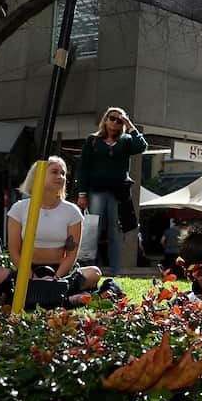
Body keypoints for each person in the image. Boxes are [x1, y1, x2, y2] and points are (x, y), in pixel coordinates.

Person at [0, 157, 102, 306]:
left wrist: (55, 278)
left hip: (59, 271)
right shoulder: (19, 209)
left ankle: (35, 294)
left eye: (63, 173)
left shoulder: (72, 211)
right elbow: (14, 252)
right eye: (54, 172)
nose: (60, 177)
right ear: (38, 175)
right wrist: (31, 277)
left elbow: (71, 254)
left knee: (94, 273)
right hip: (26, 271)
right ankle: (62, 297)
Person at [76, 106, 148, 275]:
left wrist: (129, 124)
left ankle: (115, 270)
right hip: (96, 190)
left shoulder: (127, 140)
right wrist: (82, 193)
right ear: (105, 120)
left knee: (115, 230)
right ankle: (90, 268)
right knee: (93, 228)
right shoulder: (92, 140)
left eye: (119, 119)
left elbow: (142, 146)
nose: (115, 122)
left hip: (118, 192)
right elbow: (84, 168)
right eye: (112, 118)